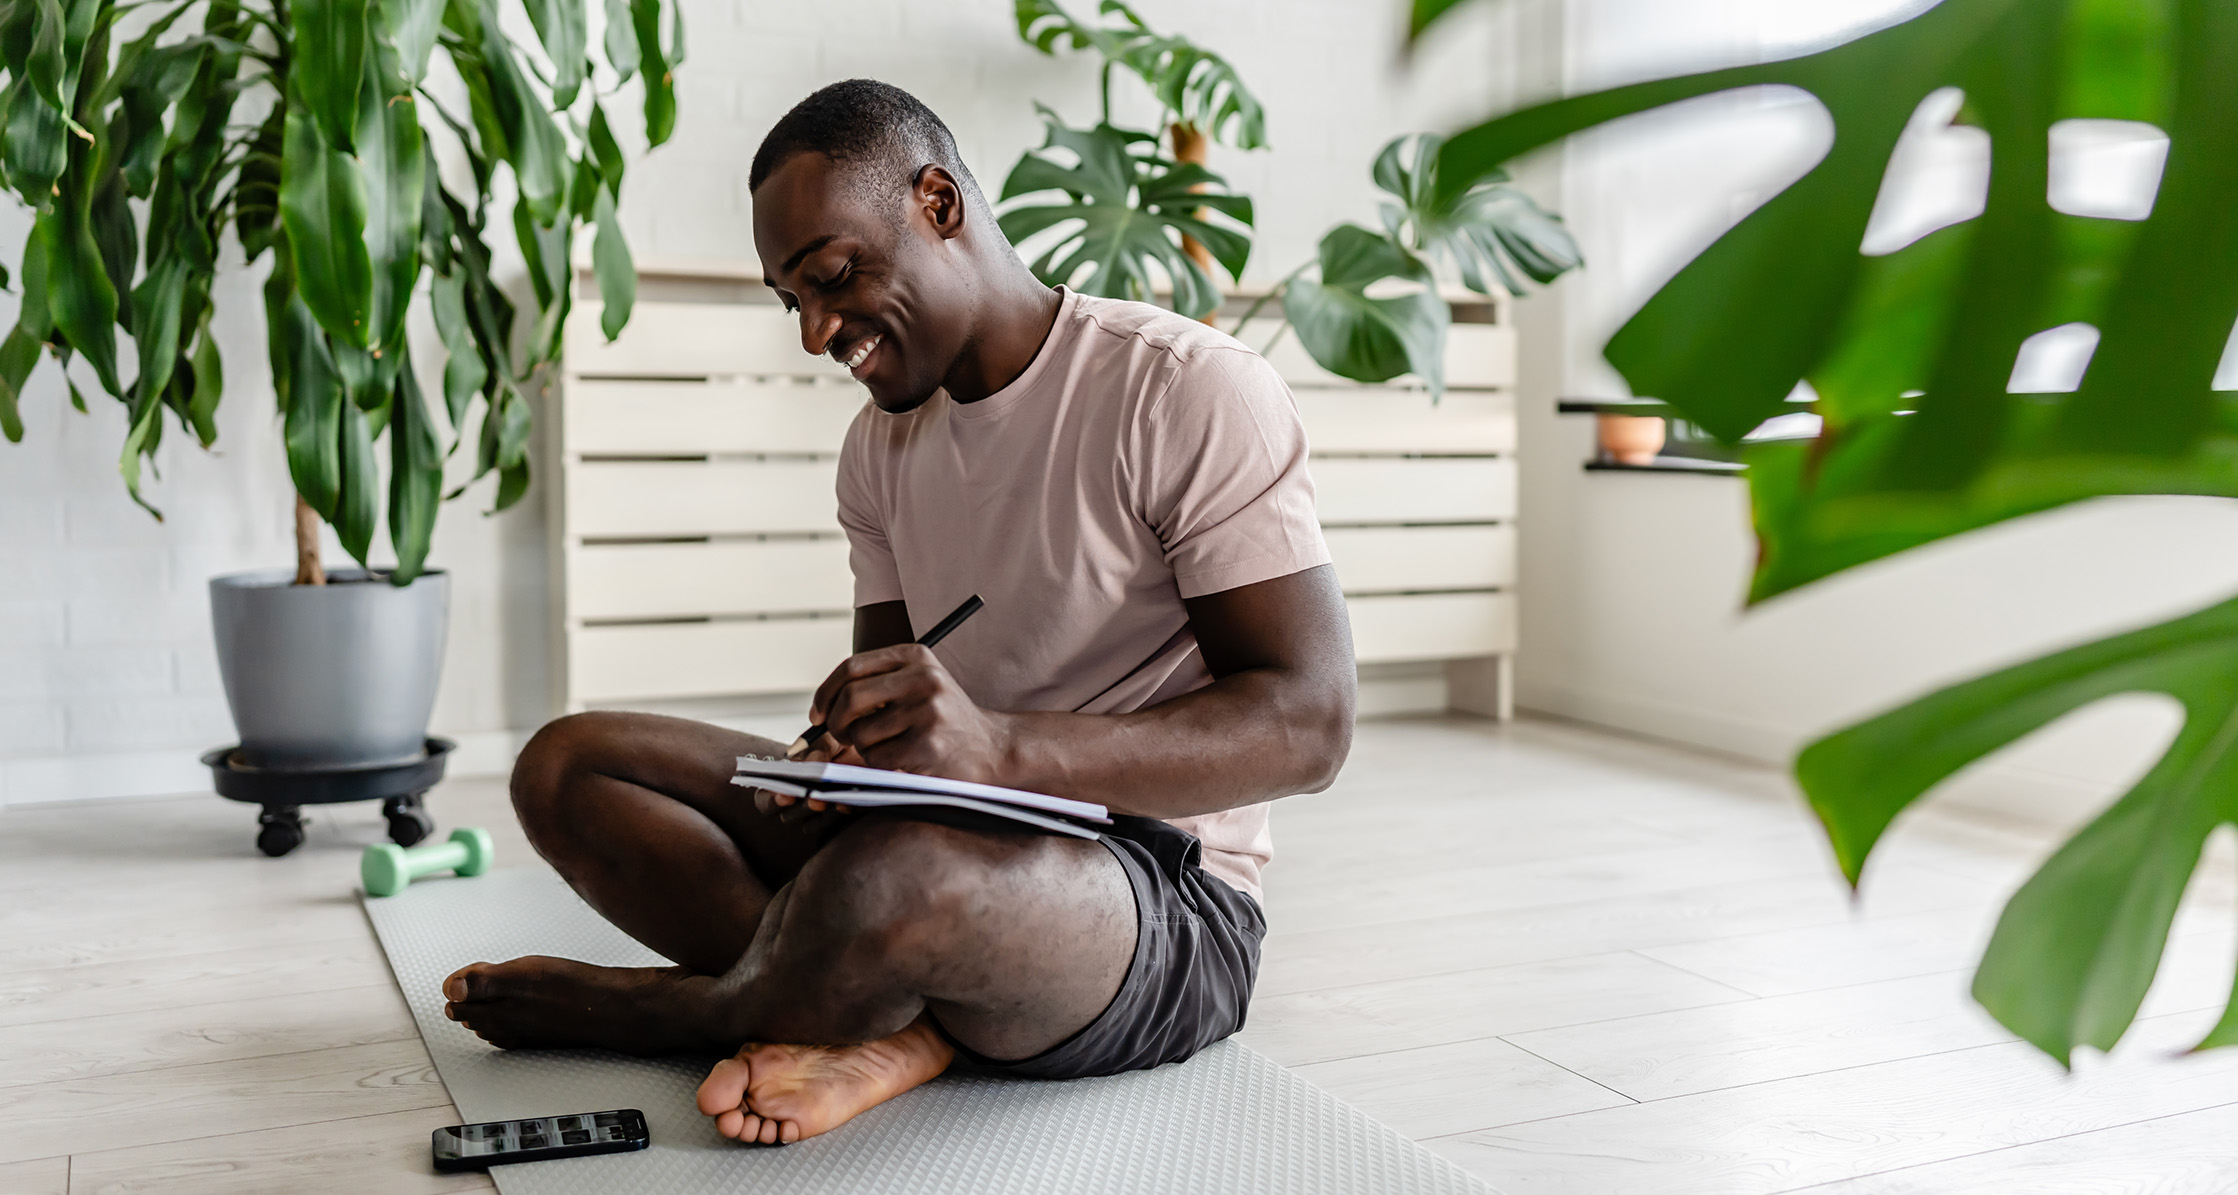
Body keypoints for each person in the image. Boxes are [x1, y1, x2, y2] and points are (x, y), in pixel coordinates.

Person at [438, 78, 1355, 1146]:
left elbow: (1311, 723)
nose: (818, 330)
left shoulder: (1184, 389)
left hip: (1157, 896)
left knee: (893, 881)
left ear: (939, 205)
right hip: (942, 836)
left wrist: (1000, 750)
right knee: (569, 764)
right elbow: (889, 736)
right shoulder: (881, 448)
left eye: (832, 276)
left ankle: (687, 1008)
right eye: (794, 301)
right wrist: (833, 762)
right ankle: (879, 1014)